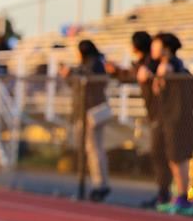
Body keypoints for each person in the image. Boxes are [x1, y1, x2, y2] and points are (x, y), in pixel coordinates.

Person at [107, 31, 169, 207]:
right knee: (160, 154)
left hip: (162, 113)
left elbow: (139, 74)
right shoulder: (146, 63)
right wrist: (117, 71)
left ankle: (166, 195)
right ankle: (164, 194)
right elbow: (133, 75)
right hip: (156, 113)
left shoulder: (154, 63)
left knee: (162, 154)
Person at [151, 32, 193, 216]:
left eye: (156, 45)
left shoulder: (174, 66)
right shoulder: (162, 66)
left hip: (177, 118)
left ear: (166, 48)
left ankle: (183, 198)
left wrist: (163, 76)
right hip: (168, 118)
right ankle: (177, 196)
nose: (153, 49)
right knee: (171, 157)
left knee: (178, 157)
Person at [61, 39, 111, 202]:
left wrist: (73, 74)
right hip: (87, 112)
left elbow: (87, 82)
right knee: (94, 149)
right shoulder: (89, 65)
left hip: (91, 112)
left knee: (94, 149)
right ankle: (99, 183)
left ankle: (99, 184)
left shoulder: (95, 65)